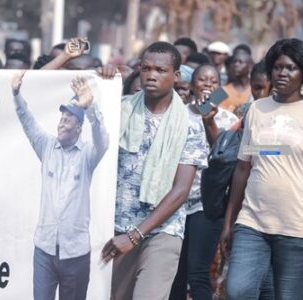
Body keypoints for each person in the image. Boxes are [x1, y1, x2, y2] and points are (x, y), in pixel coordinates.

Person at [101, 42, 207, 300]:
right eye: (146, 68)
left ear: (176, 76)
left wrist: (136, 234)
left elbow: (181, 190)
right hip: (116, 227)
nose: (151, 75)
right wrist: (100, 85)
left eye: (160, 70)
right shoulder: (118, 109)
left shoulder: (190, 124)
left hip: (163, 230)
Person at [11, 71, 109, 300]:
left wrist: (91, 107)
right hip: (44, 250)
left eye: (68, 120)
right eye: (61, 119)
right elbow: (27, 121)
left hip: (75, 252)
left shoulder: (87, 154)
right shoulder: (46, 146)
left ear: (78, 128)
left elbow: (102, 140)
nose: (61, 124)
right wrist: (16, 93)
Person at [222, 38, 303, 300]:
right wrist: (229, 223)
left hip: (296, 227)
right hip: (252, 222)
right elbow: (243, 167)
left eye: (291, 68)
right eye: (278, 67)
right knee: (237, 291)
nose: (283, 73)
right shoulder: (257, 109)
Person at [169, 64, 238, 300]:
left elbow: (225, 158)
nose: (208, 84)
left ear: (219, 86)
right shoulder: (176, 114)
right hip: (174, 203)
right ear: (190, 85)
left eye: (213, 81)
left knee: (197, 271)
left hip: (207, 205)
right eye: (202, 79)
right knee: (176, 272)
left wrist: (210, 121)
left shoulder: (229, 119)